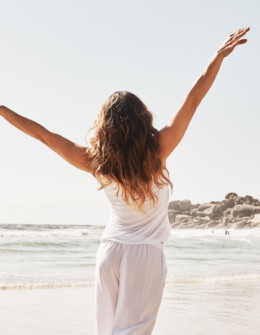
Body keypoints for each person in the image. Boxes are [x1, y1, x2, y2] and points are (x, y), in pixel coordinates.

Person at [0, 27, 249, 335]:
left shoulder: (97, 161)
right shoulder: (159, 149)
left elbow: (43, 135)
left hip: (109, 251)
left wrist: (1, 109)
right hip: (144, 253)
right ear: (142, 117)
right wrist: (217, 57)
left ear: (105, 125)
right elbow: (194, 99)